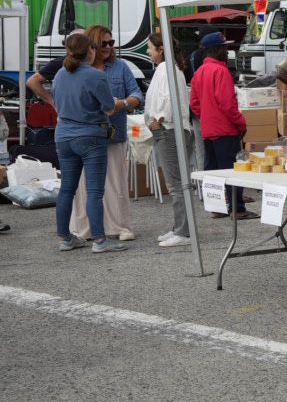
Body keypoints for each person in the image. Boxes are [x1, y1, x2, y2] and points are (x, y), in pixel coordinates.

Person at [51, 31, 129, 254]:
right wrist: (118, 102)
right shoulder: (96, 76)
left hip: (64, 135)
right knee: (94, 191)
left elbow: (56, 102)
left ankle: (65, 238)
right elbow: (109, 108)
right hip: (90, 136)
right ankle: (100, 240)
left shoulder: (59, 74)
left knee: (67, 189)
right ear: (90, 51)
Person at [68, 25, 141, 241]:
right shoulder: (77, 70)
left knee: (116, 183)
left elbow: (137, 94)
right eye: (104, 43)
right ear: (91, 46)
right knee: (84, 186)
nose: (109, 47)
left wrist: (123, 103)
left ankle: (119, 226)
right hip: (86, 136)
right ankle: (86, 228)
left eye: (111, 42)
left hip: (113, 135)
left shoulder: (120, 67)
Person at [144, 28, 196, 248]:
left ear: (161, 49)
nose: (148, 52)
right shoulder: (170, 68)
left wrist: (158, 120)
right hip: (171, 129)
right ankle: (179, 227)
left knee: (177, 184)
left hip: (169, 129)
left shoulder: (166, 69)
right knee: (177, 182)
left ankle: (184, 231)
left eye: (149, 48)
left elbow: (166, 99)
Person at [190, 32, 251, 217]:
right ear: (216, 49)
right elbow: (227, 104)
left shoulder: (199, 72)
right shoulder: (221, 71)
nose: (227, 51)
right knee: (232, 170)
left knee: (212, 171)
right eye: (224, 47)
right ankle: (237, 208)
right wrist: (241, 123)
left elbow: (194, 103)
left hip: (209, 129)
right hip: (225, 130)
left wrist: (208, 117)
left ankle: (217, 208)